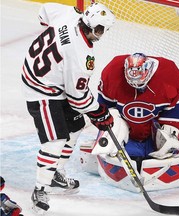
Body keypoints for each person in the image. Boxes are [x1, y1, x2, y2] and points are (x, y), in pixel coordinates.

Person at [21, 2, 115, 213]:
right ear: (90, 25)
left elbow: (44, 11)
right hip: (40, 89)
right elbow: (77, 99)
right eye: (100, 29)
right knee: (55, 140)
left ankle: (55, 174)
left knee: (74, 127)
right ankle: (40, 189)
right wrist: (99, 112)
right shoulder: (82, 56)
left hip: (49, 79)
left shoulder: (70, 13)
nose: (101, 33)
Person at [95, 53, 179, 165]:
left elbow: (176, 113)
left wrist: (170, 137)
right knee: (110, 119)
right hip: (128, 130)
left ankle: (162, 154)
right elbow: (104, 108)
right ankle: (118, 149)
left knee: (169, 134)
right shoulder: (112, 71)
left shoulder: (169, 74)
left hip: (153, 128)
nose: (136, 86)